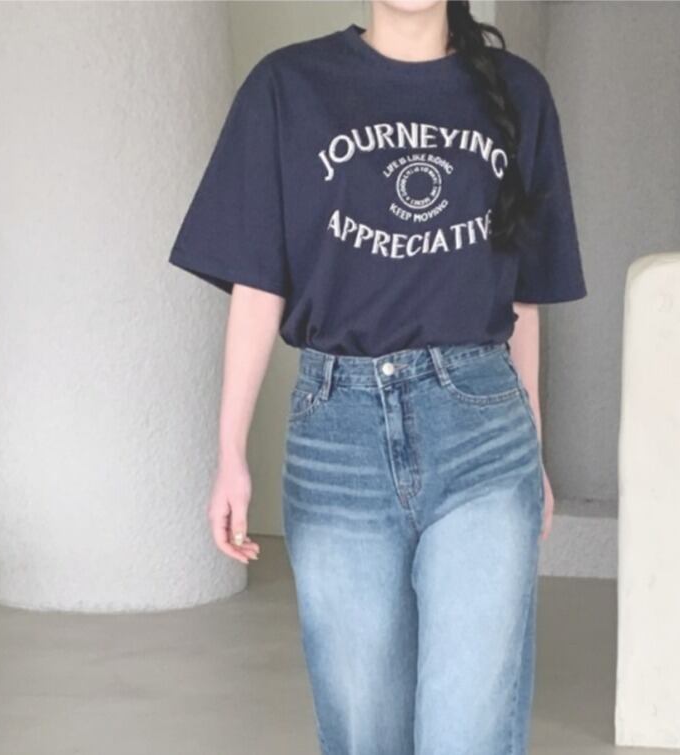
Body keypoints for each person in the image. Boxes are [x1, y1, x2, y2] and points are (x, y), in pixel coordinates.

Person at [167, 1, 587, 753]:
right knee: (366, 730)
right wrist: (229, 451)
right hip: (338, 439)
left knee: (471, 729)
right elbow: (258, 286)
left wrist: (535, 447)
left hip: (484, 434)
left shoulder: (520, 92)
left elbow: (524, 299)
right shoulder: (288, 86)